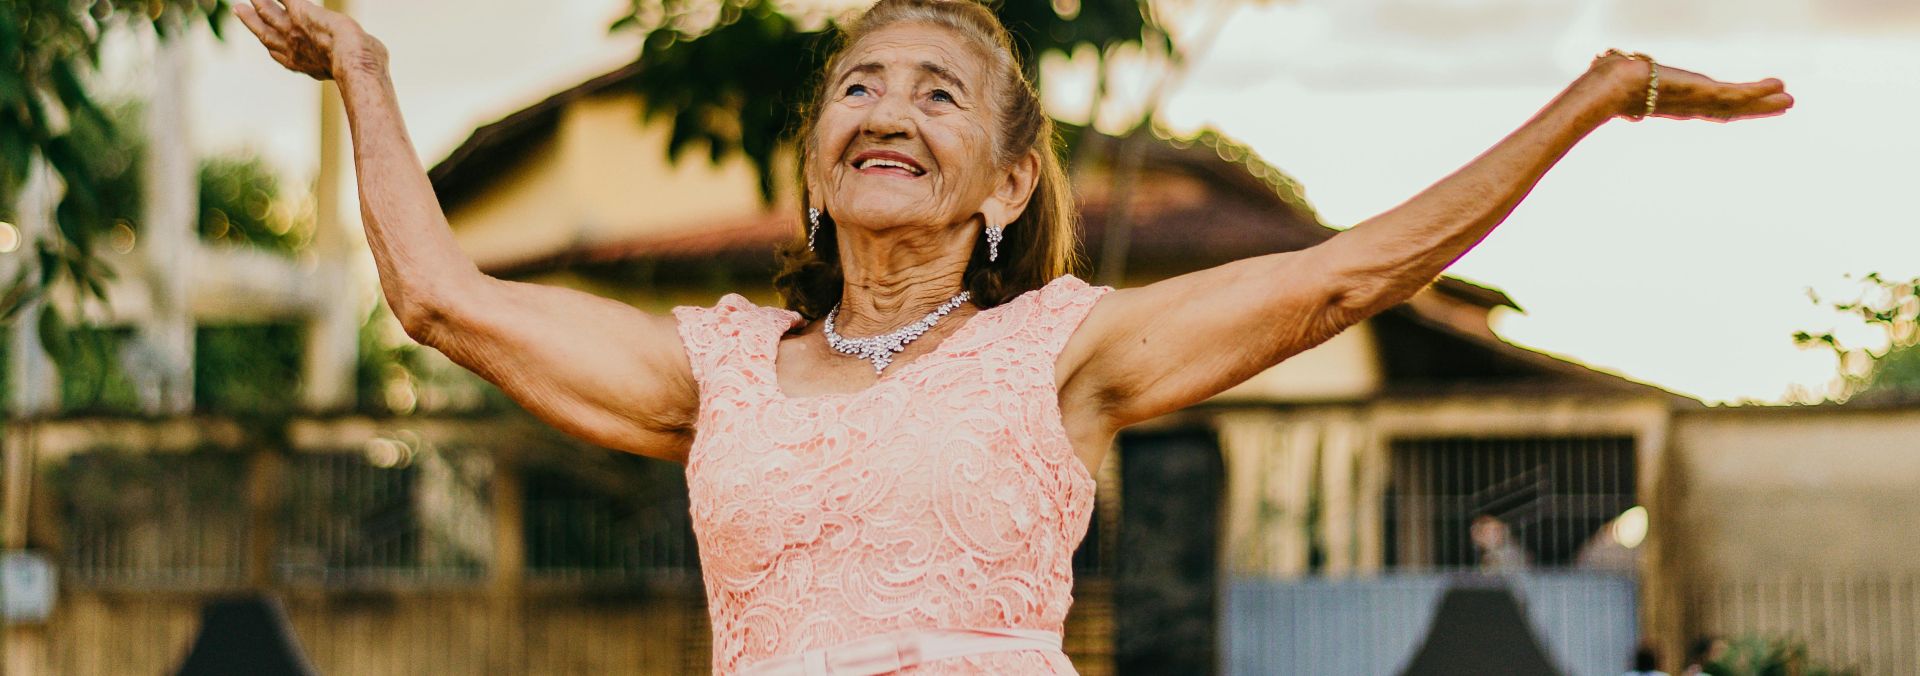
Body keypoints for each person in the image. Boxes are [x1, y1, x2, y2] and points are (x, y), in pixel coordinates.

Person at [231, 0, 1793, 672]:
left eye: (937, 93)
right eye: (857, 84)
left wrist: (1596, 99)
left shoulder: (1062, 350)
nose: (887, 110)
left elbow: (1348, 276)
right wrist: (364, 68)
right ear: (813, 155)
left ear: (1008, 181)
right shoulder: (713, 371)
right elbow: (441, 298)